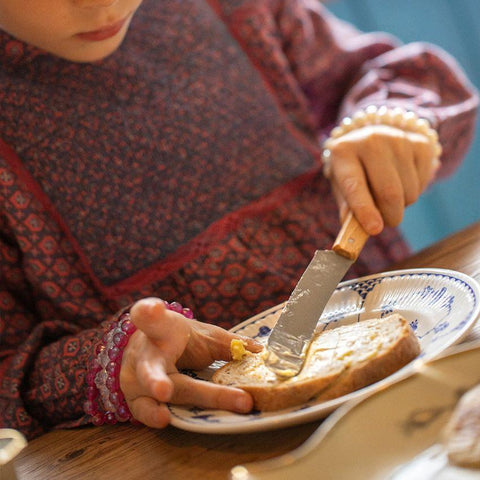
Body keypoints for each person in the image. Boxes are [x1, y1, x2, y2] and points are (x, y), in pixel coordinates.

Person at [0, 0, 477, 440]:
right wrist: (108, 364)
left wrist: (389, 119)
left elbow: (385, 74)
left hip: (416, 384)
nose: (102, 3)